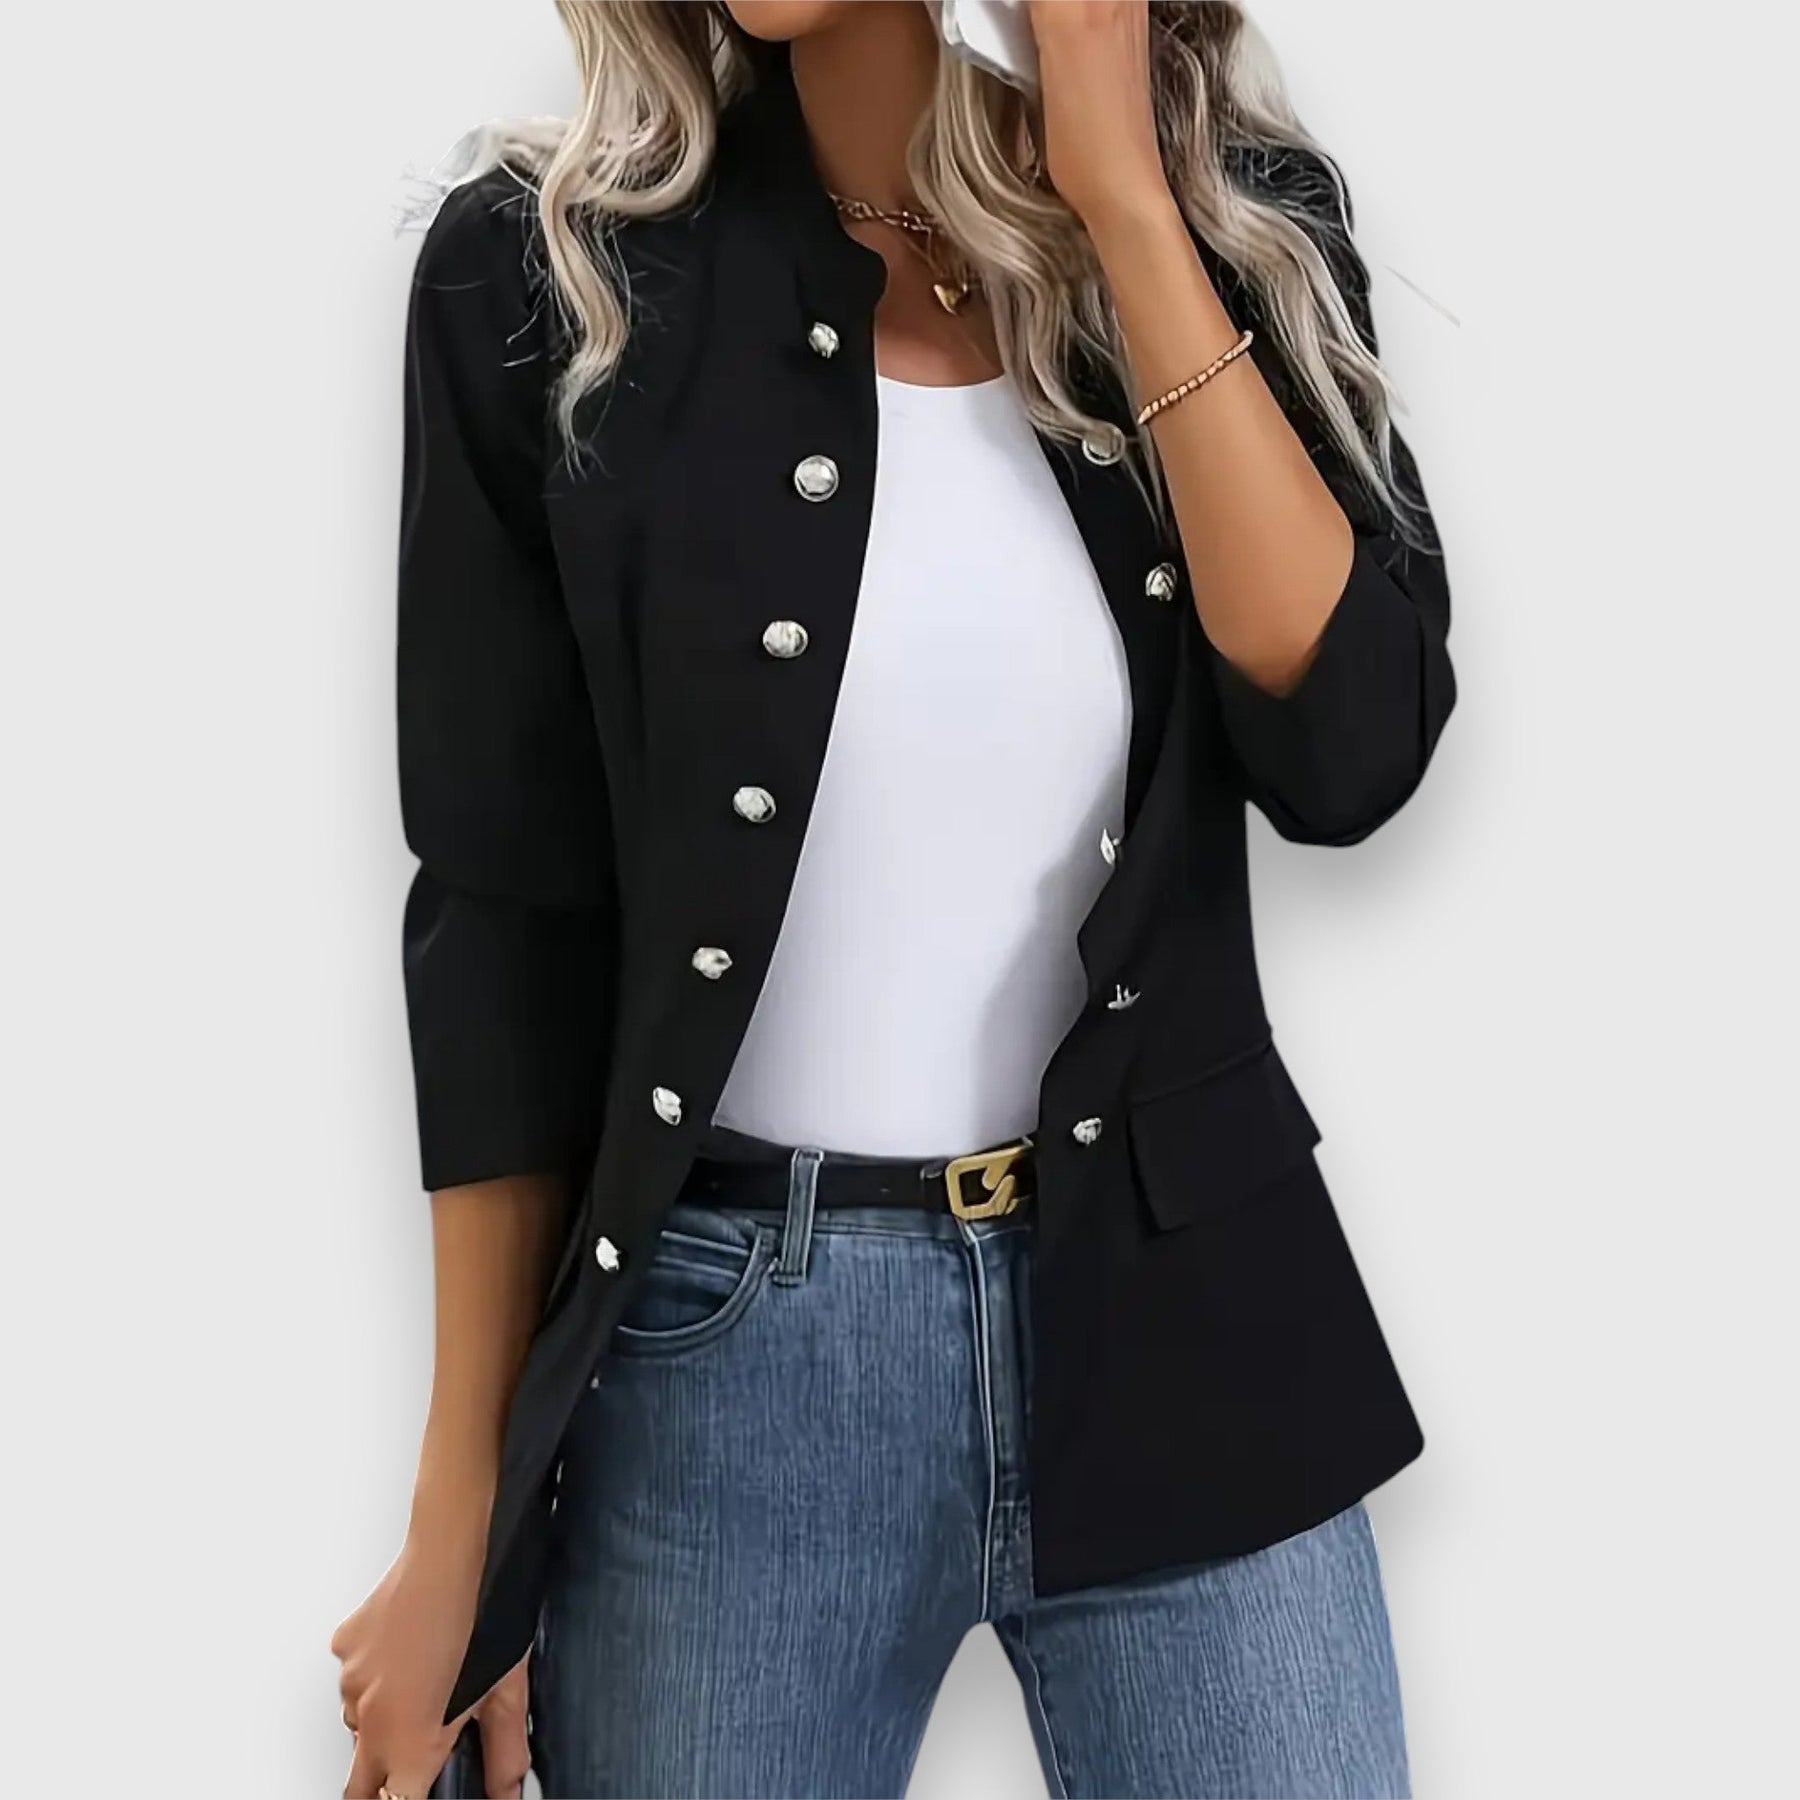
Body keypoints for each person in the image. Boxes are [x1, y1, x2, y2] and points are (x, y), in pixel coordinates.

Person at [332, 3, 1455, 1795]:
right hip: (729, 1374)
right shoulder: (546, 276)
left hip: (1188, 1313)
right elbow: (504, 923)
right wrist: (462, 1515)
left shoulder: (1233, 228)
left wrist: (1124, 201)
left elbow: (1352, 752)